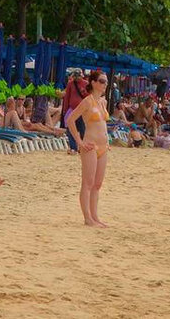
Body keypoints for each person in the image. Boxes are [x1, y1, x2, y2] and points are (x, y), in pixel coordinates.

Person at [65, 69, 109, 227]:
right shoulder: (87, 101)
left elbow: (103, 124)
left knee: (97, 184)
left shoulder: (103, 102)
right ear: (94, 83)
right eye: (102, 81)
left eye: (106, 82)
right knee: (88, 183)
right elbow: (70, 120)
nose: (105, 85)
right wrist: (79, 141)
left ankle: (95, 216)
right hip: (90, 145)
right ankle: (87, 218)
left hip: (103, 146)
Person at [60, 71, 87, 155]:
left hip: (82, 111)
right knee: (70, 129)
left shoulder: (86, 84)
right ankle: (73, 148)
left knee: (83, 130)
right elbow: (67, 97)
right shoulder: (70, 84)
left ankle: (83, 148)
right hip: (72, 109)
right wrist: (65, 110)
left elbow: (89, 97)